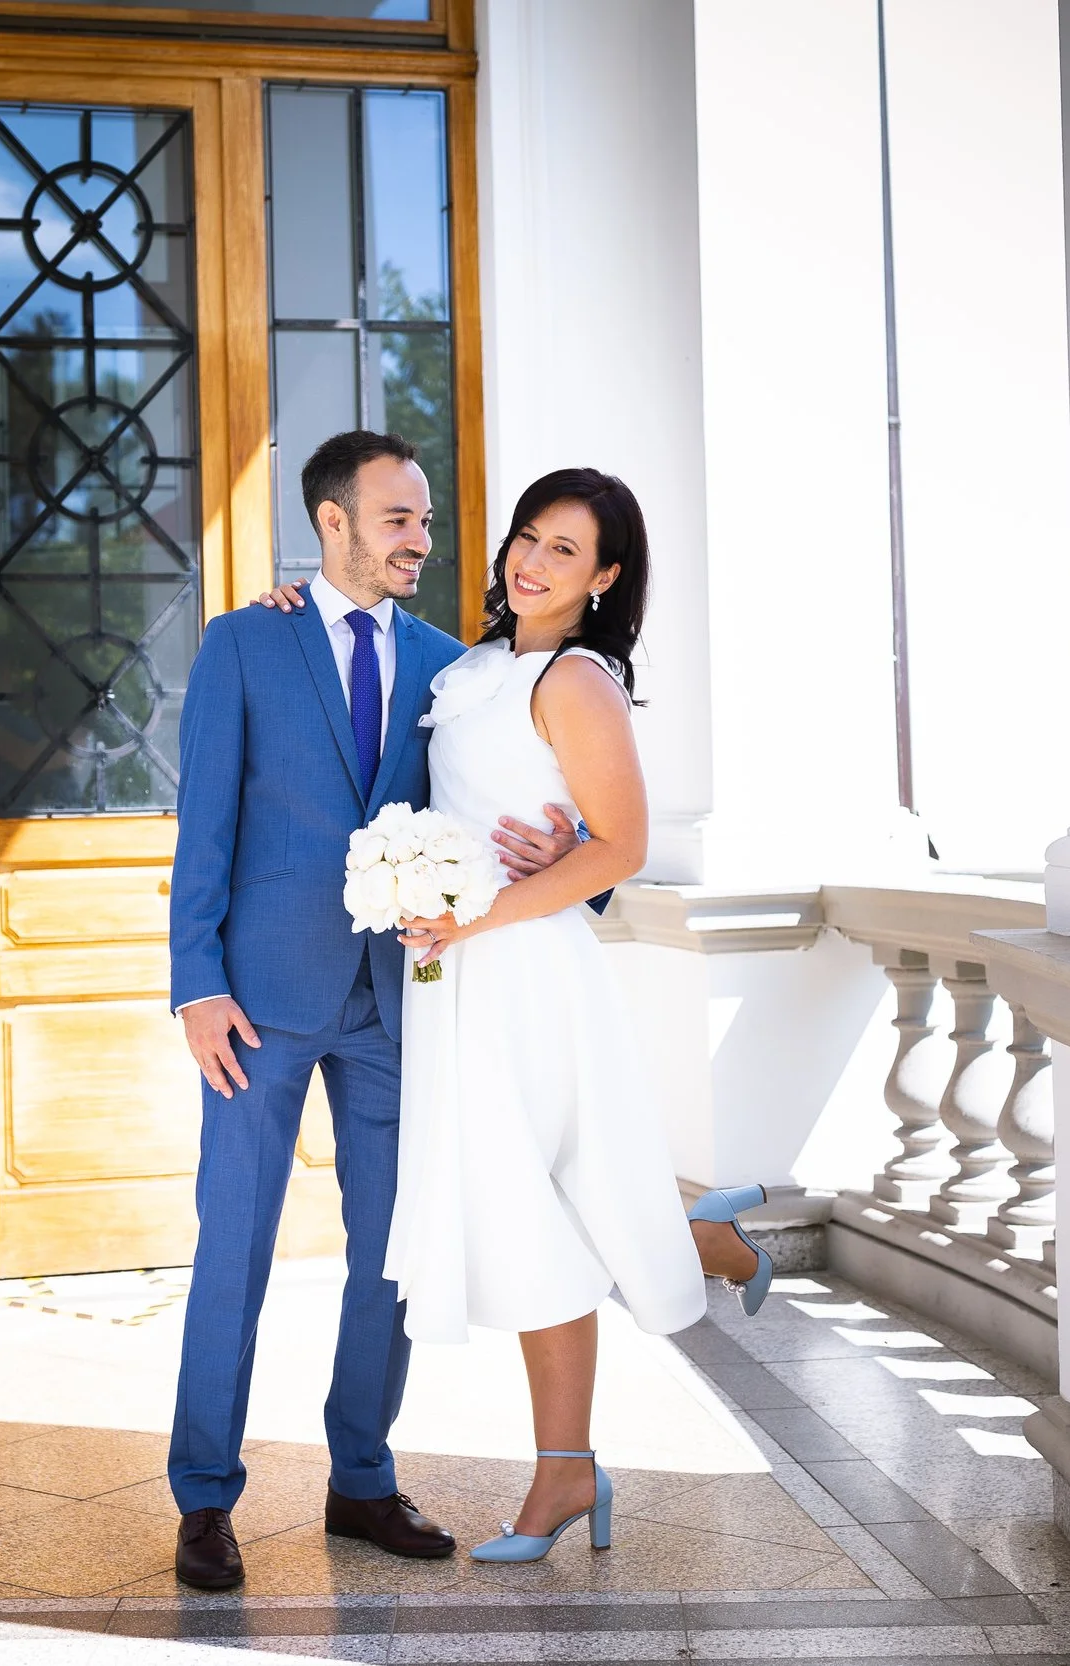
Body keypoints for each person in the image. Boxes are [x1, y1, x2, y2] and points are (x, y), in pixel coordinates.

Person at [229, 463, 781, 1568]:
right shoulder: (473, 665)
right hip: (455, 980)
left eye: (564, 550)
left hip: (521, 974)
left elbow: (620, 848)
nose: (530, 560)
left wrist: (481, 910)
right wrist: (295, 602)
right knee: (521, 1207)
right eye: (527, 537)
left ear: (606, 576)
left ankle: (563, 1471)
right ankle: (702, 1243)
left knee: (530, 1215)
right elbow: (371, 663)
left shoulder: (578, 680)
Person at [164, 430, 589, 1590]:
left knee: (390, 1256)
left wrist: (559, 842)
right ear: (333, 523)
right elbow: (202, 822)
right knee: (234, 1248)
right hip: (255, 1002)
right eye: (398, 518)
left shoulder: (456, 669)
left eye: (426, 519)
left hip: (401, 1004)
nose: (421, 539)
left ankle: (360, 1473)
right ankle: (205, 1496)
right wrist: (195, 983)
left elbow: (507, 792)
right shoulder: (243, 642)